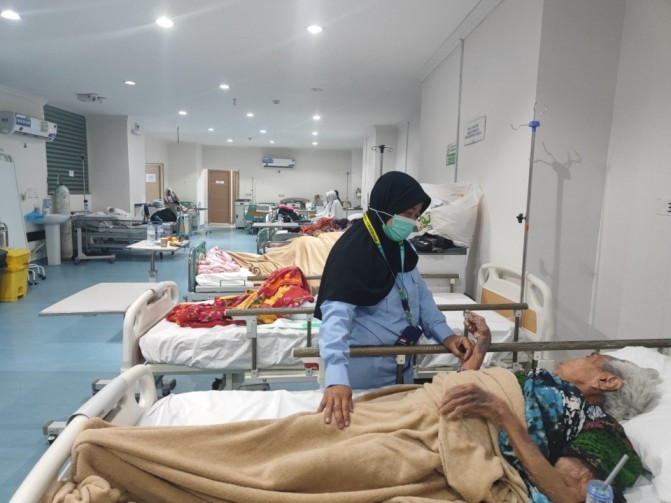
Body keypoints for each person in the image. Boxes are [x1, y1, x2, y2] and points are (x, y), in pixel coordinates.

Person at [52, 349, 658, 502]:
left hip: (453, 443)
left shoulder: (603, 433)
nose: (576, 357)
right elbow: (490, 394)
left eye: (591, 358)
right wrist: (477, 367)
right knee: (294, 432)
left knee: (305, 467)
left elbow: (570, 495)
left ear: (606, 382)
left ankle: (130, 459)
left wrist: (502, 414)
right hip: (426, 406)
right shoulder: (544, 381)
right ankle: (127, 451)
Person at [314, 171, 477, 429]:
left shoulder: (403, 248)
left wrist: (446, 335)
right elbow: (336, 319)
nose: (411, 222)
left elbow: (421, 298)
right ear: (385, 207)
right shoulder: (351, 253)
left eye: (415, 215)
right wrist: (336, 378)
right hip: (361, 378)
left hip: (402, 367)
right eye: (407, 214)